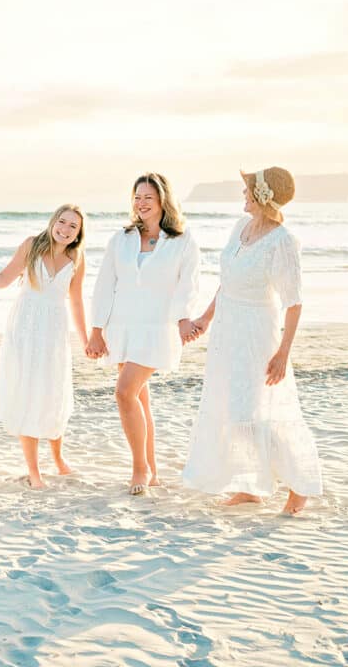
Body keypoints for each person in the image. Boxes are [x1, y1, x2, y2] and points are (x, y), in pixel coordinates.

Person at [182, 167, 322, 515]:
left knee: (255, 410)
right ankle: (250, 487)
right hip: (226, 331)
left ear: (262, 196)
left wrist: (283, 353)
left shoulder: (282, 241)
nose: (243, 194)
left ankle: (299, 486)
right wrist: (205, 318)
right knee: (233, 409)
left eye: (248, 189)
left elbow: (293, 302)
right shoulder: (240, 227)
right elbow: (228, 281)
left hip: (256, 334)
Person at [86, 173, 201, 495]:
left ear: (163, 200)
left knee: (124, 393)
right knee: (138, 399)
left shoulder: (182, 240)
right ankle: (151, 470)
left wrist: (184, 318)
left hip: (157, 328)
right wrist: (96, 331)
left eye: (148, 197)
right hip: (122, 327)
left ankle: (140, 468)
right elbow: (104, 285)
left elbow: (188, 284)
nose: (141, 203)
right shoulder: (121, 239)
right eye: (137, 197)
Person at [0, 205, 87, 488]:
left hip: (54, 331)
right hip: (26, 329)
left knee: (53, 393)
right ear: (53, 222)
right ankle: (34, 471)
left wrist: (86, 339)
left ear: (79, 233)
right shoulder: (32, 245)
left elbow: (77, 301)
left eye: (73, 226)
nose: (65, 229)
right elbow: (3, 279)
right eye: (62, 222)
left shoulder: (76, 257)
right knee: (28, 393)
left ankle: (58, 459)